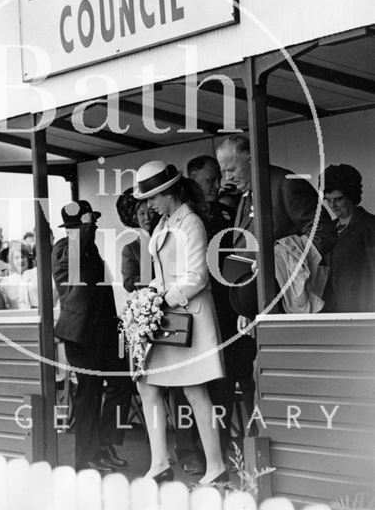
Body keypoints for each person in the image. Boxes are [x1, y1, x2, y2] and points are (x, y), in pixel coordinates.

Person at [133, 160, 227, 486]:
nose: (148, 205)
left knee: (194, 390)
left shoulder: (191, 223)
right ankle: (159, 463)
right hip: (169, 317)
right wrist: (150, 296)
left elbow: (197, 277)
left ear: (169, 192)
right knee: (147, 383)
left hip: (191, 318)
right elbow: (163, 275)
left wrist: (161, 299)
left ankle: (215, 466)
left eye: (153, 197)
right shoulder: (163, 225)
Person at [216, 134, 336, 326]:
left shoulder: (286, 183)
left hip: (295, 303)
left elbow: (323, 233)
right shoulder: (248, 192)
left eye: (231, 169)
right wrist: (247, 307)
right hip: (264, 305)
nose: (227, 178)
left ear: (251, 158)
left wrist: (284, 261)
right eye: (223, 171)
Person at [184, 155, 257, 469]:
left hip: (235, 310)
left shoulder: (231, 210)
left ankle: (249, 453)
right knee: (212, 390)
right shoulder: (190, 219)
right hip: (206, 314)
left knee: (243, 381)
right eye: (208, 181)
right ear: (194, 182)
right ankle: (207, 456)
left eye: (218, 178)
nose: (216, 185)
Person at [52, 200, 132, 474]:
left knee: (121, 383)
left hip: (104, 333)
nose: (95, 226)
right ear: (76, 226)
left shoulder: (88, 248)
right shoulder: (64, 248)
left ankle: (104, 444)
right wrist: (84, 227)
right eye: (90, 222)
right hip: (81, 336)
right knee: (89, 393)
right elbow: (74, 261)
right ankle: (86, 457)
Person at [323, 164, 375, 312]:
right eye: (328, 200)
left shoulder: (370, 226)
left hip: (362, 312)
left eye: (338, 199)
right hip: (332, 313)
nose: (332, 205)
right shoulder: (327, 230)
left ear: (351, 196)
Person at [116, 187, 159, 293]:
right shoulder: (131, 249)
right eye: (142, 214)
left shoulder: (164, 239)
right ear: (135, 217)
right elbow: (129, 283)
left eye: (151, 212)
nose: (147, 218)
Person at [0, 240, 41, 309]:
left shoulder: (38, 276)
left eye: (23, 257)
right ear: (12, 261)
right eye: (16, 258)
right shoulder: (5, 283)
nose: (21, 260)